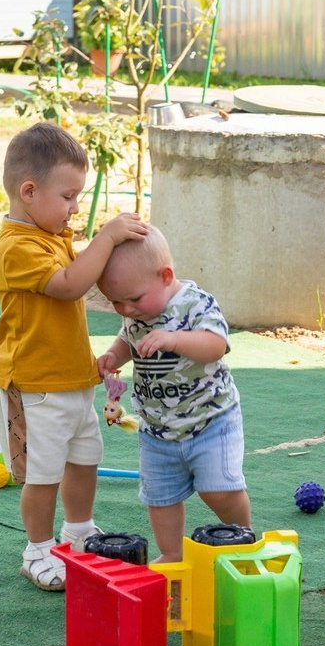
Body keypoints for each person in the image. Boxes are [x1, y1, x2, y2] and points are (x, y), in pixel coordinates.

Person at [0, 122, 147, 590]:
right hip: (33, 386)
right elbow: (70, 285)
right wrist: (108, 237)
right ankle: (37, 549)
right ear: (29, 191)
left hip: (71, 381)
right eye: (69, 196)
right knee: (42, 474)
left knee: (84, 459)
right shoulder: (16, 247)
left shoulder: (50, 234)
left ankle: (78, 530)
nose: (75, 207)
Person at [96, 227, 253, 563]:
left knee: (219, 490)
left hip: (210, 421)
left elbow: (215, 346)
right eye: (116, 302)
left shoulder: (195, 304)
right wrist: (113, 356)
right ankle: (172, 553)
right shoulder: (137, 313)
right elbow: (127, 339)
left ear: (166, 276)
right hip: (157, 431)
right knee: (160, 498)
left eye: (133, 299)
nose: (126, 309)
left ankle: (242, 538)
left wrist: (173, 340)